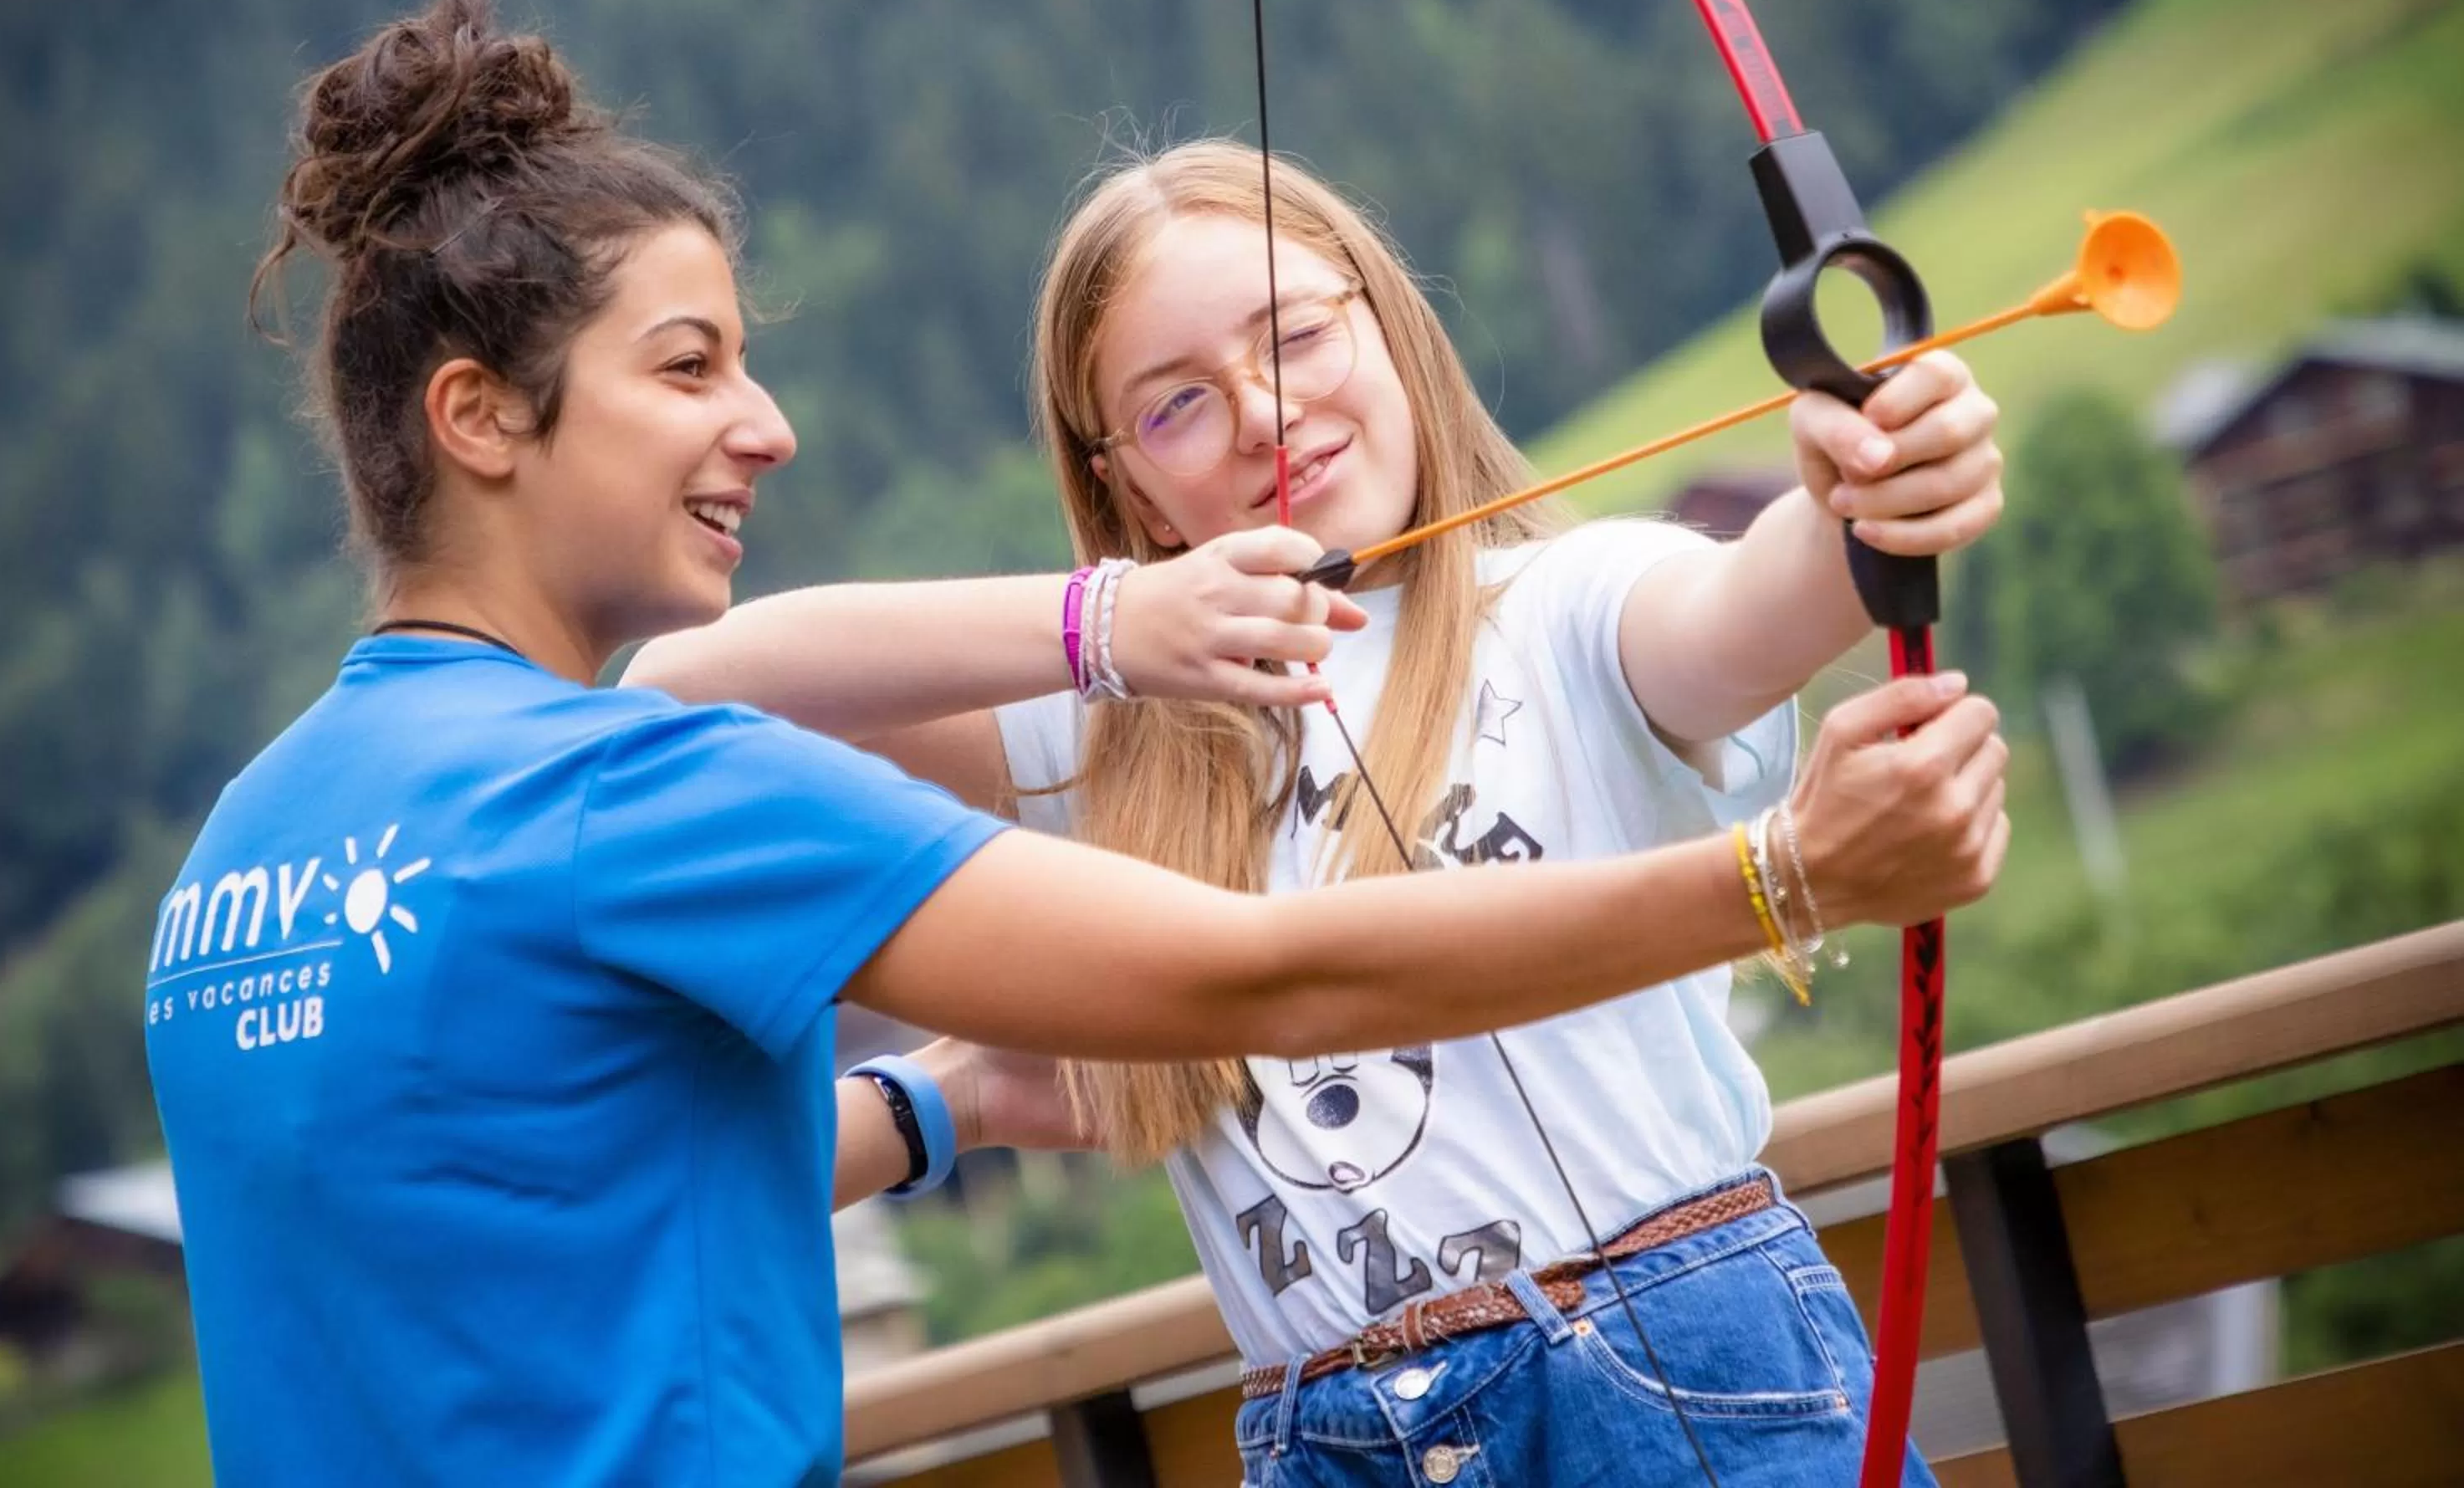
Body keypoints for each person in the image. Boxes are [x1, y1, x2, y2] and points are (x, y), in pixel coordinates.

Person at [632, 140, 2008, 1485]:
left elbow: (1753, 604)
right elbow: (688, 690)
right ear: (1125, 487)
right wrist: (1108, 625)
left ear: (1389, 324)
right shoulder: (1104, 730)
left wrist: (1865, 500)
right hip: (1330, 1437)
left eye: (1295, 334)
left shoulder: (1565, 604)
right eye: (1176, 405)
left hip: (1666, 1365)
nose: (1264, 414)